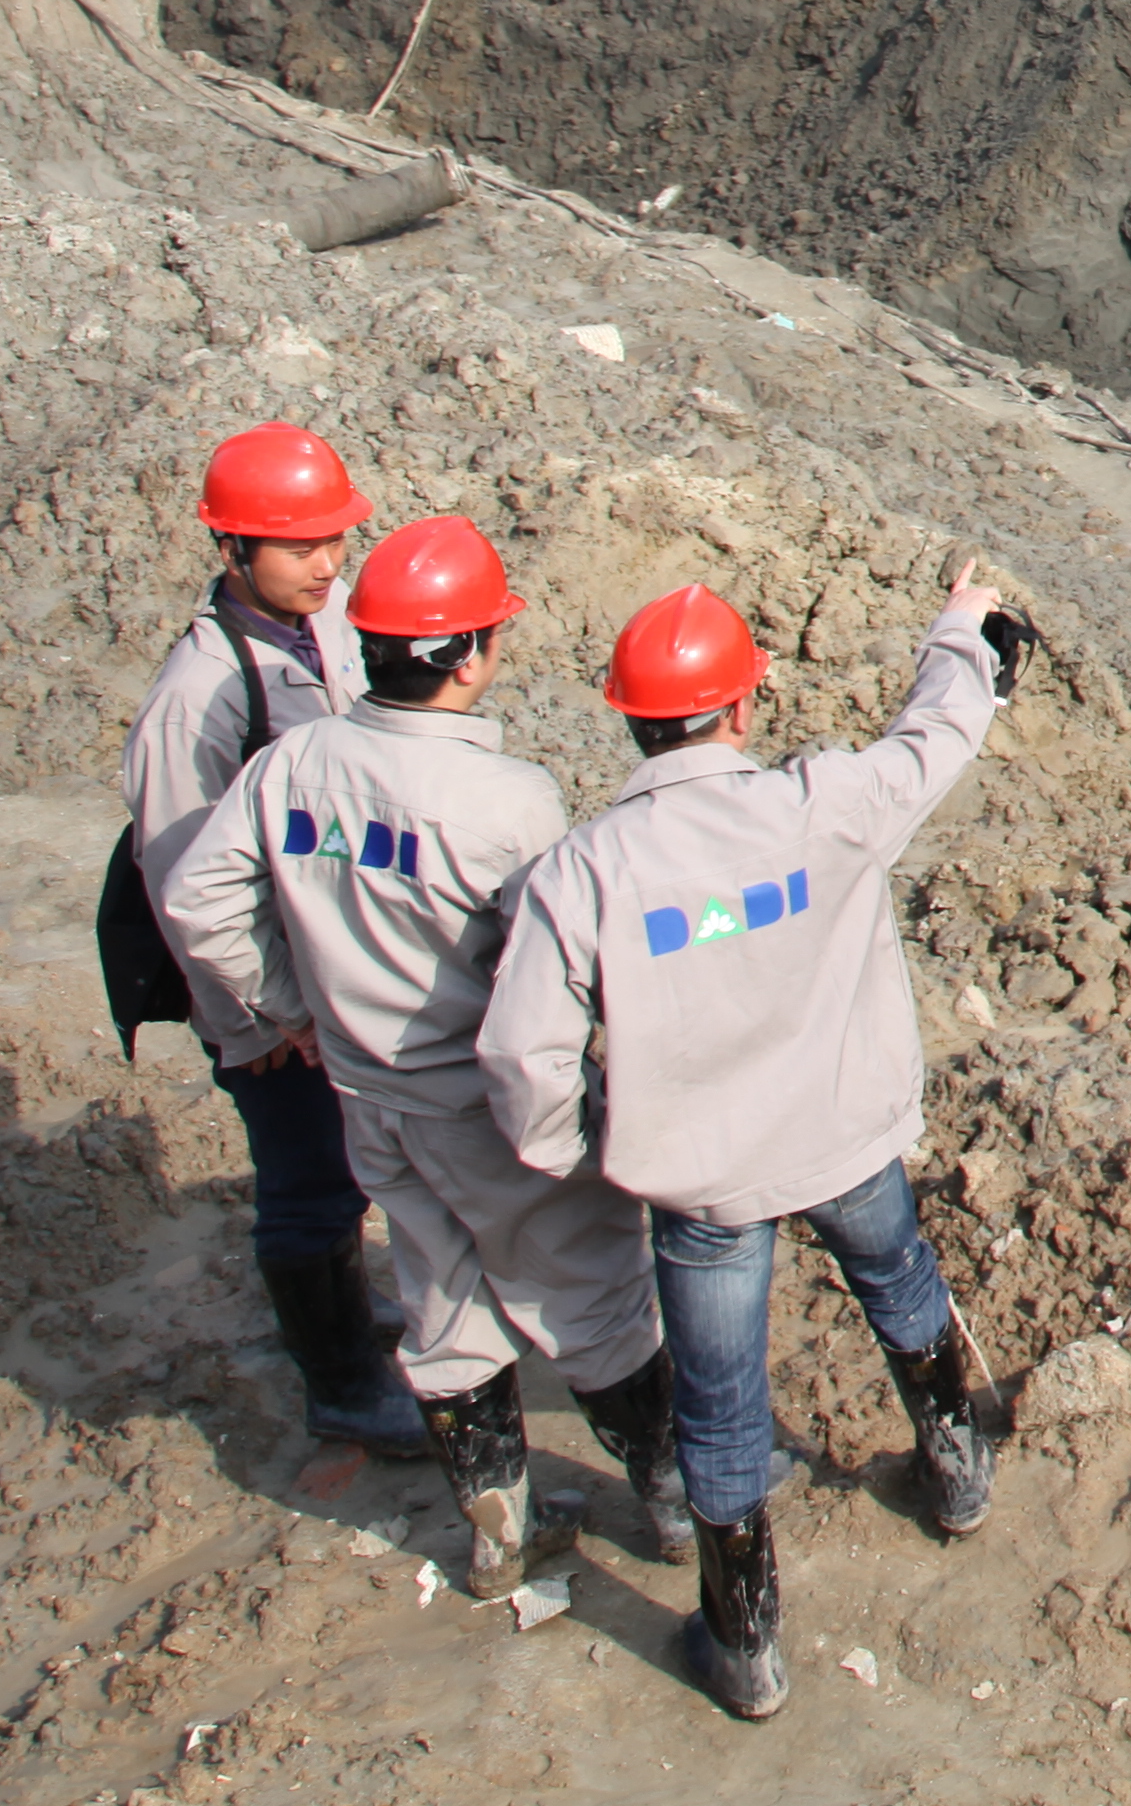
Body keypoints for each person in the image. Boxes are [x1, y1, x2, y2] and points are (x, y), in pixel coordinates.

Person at [481, 573, 1029, 1722]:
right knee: (901, 1284)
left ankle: (745, 1643)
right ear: (743, 707)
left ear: (629, 718)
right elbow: (936, 735)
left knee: (722, 1407)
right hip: (843, 1141)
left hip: (706, 1190)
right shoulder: (820, 805)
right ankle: (957, 1470)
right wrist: (959, 630)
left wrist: (579, 1146)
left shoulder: (587, 870)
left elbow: (524, 1054)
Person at [158, 517, 689, 1598]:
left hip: (369, 1096)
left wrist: (286, 1005)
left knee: (444, 1307)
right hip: (481, 1103)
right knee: (589, 1295)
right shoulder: (508, 805)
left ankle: (499, 1533)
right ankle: (676, 1500)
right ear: (470, 655)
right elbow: (567, 972)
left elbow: (195, 897)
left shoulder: (293, 763)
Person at [117, 424, 420, 1456]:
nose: (328, 565)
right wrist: (256, 1019)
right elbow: (183, 887)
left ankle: (344, 1313)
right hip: (267, 996)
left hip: (325, 971)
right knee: (302, 1181)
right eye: (299, 549)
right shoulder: (199, 698)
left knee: (344, 1163)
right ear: (231, 552)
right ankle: (339, 1380)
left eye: (335, 540)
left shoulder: (325, 623)